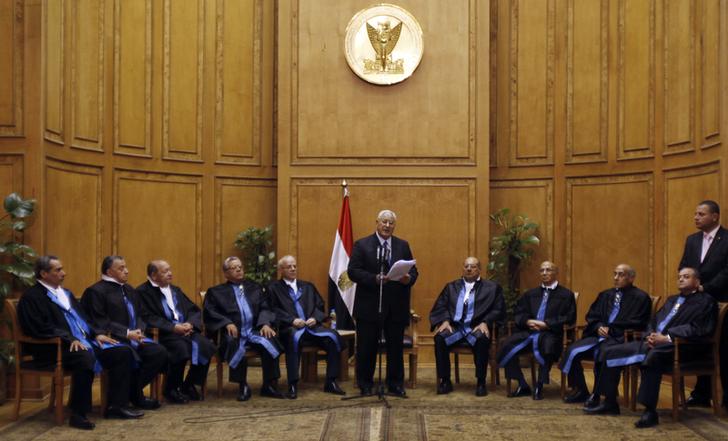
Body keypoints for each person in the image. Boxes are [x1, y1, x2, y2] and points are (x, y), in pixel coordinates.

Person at [18, 256, 143, 429]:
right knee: (84, 357)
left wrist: (97, 334)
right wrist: (69, 338)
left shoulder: (66, 293)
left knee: (122, 352)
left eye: (62, 269)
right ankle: (78, 414)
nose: (64, 273)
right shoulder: (32, 297)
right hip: (54, 347)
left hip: (82, 342)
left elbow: (85, 319)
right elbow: (37, 327)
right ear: (44, 273)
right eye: (58, 270)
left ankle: (116, 406)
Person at [586, 267, 718, 428]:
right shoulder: (672, 300)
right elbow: (653, 321)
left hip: (683, 347)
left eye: (686, 276)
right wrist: (650, 335)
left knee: (653, 356)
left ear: (697, 281)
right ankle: (610, 402)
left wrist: (667, 337)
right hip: (654, 343)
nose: (681, 279)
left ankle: (649, 411)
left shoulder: (706, 301)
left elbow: (699, 328)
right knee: (609, 351)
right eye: (679, 277)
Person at [81, 255, 168, 411]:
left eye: (126, 267)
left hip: (134, 337)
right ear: (109, 271)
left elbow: (141, 314)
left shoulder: (129, 289)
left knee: (158, 352)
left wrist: (139, 330)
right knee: (125, 353)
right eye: (121, 268)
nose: (127, 271)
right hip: (111, 339)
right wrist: (127, 333)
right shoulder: (95, 291)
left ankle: (133, 393)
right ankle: (118, 403)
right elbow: (99, 320)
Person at [348, 209, 418, 397]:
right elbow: (353, 271)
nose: (387, 225)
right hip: (369, 305)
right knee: (367, 347)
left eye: (391, 223)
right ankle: (365, 384)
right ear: (377, 222)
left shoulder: (402, 245)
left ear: (394, 225)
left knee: (395, 348)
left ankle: (395, 384)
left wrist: (408, 279)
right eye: (384, 222)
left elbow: (414, 272)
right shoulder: (362, 245)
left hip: (396, 306)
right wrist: (374, 278)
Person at [560, 264, 651, 406]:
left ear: (631, 278)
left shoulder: (641, 297)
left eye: (621, 274)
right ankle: (580, 390)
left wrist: (611, 329)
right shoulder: (605, 295)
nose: (616, 278)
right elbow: (592, 315)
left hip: (620, 338)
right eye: (615, 274)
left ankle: (598, 394)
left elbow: (638, 322)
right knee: (572, 350)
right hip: (598, 336)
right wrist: (598, 327)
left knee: (604, 352)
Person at [203, 256, 284, 401]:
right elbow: (210, 312)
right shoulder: (216, 292)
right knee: (232, 342)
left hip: (254, 330)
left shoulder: (255, 288)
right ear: (226, 273)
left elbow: (266, 307)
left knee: (270, 338)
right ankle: (243, 385)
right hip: (233, 332)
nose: (238, 270)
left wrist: (265, 324)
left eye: (240, 267)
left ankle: (268, 385)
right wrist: (226, 323)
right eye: (234, 268)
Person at [137, 260, 216, 404]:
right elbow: (147, 318)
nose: (170, 273)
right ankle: (171, 389)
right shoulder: (142, 292)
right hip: (163, 334)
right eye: (165, 271)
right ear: (154, 275)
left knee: (206, 346)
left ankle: (189, 385)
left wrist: (190, 324)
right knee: (181, 348)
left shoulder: (175, 290)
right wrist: (173, 328)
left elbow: (193, 310)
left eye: (170, 270)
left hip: (185, 330)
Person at [268, 255, 346, 399]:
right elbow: (272, 310)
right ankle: (292, 384)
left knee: (333, 338)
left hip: (312, 328)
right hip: (290, 328)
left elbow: (320, 305)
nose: (293, 269)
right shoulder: (274, 288)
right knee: (294, 340)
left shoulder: (308, 286)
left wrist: (315, 318)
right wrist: (291, 320)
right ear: (281, 270)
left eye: (294, 266)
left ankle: (331, 381)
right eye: (289, 267)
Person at [497, 261, 576, 400]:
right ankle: (522, 384)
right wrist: (527, 321)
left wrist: (546, 324)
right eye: (542, 270)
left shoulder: (566, 295)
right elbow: (519, 312)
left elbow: (569, 318)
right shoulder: (531, 294)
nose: (544, 273)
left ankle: (539, 384)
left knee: (548, 346)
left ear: (556, 273)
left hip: (551, 333)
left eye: (548, 270)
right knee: (507, 344)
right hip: (529, 332)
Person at [429, 257, 505, 396]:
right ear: (462, 268)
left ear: (479, 269)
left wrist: (485, 322)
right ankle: (445, 381)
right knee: (440, 338)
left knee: (482, 339)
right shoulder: (451, 287)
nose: (469, 269)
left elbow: (498, 309)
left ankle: (481, 382)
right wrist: (445, 320)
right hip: (455, 327)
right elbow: (441, 305)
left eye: (473, 266)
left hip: (477, 326)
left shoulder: (492, 288)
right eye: (466, 266)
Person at [679, 200, 728, 408]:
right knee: (699, 344)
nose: (696, 217)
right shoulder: (692, 240)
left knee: (723, 349)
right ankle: (701, 394)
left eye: (701, 214)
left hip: (721, 300)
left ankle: (726, 398)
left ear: (715, 216)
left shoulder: (726, 239)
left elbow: (726, 271)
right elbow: (684, 265)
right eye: (695, 214)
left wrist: (704, 287)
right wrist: (689, 284)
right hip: (696, 303)